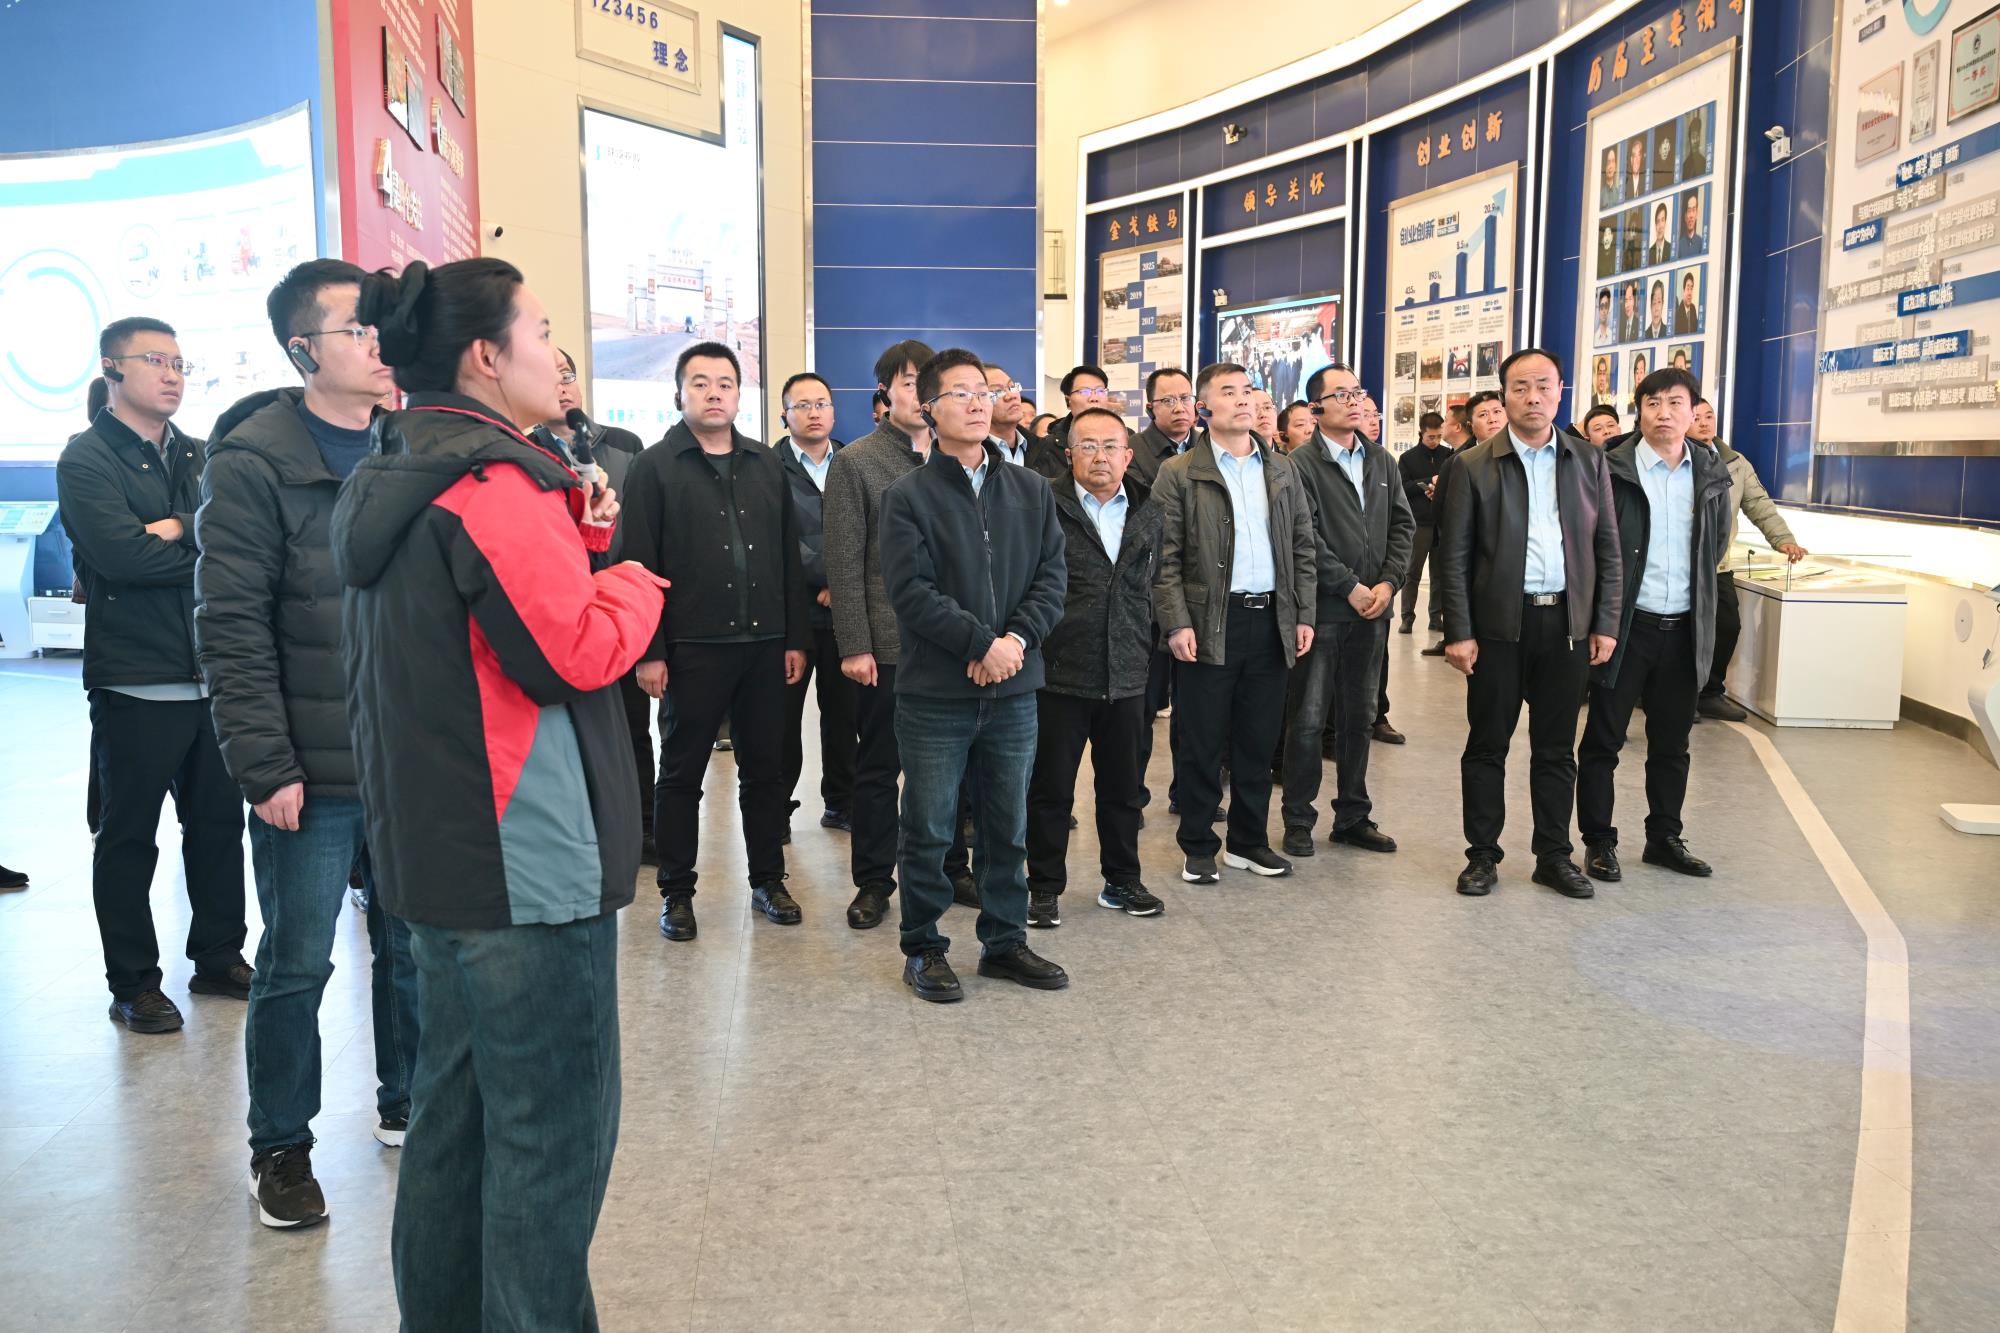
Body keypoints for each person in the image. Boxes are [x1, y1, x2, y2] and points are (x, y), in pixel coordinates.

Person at [332, 258, 664, 1329]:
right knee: (550, 1143)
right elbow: (571, 652)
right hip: (526, 858)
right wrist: (632, 582)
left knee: (457, 1122)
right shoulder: (494, 487)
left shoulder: (399, 465)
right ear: (485, 355)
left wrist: (581, 541)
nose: (554, 351)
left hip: (442, 853)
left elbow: (479, 625)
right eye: (540, 329)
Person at [193, 258, 423, 1227]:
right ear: (302, 350)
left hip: (404, 759)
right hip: (308, 770)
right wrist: (264, 764)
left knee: (411, 948)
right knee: (296, 961)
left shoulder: (406, 445)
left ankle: (408, 1104)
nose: (378, 345)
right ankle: (281, 1146)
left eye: (379, 328)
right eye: (356, 330)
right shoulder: (254, 462)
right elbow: (230, 626)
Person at [58, 315, 251, 1035]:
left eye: (178, 363)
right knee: (129, 836)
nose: (172, 375)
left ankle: (219, 956)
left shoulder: (199, 453)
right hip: (137, 678)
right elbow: (121, 559)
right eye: (154, 360)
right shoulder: (86, 459)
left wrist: (175, 527)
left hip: (211, 675)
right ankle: (135, 982)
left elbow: (236, 539)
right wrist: (194, 539)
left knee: (218, 826)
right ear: (112, 369)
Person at [879, 348, 1069, 1002]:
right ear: (929, 408)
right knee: (930, 826)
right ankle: (924, 946)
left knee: (1005, 825)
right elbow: (911, 591)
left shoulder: (1030, 489)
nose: (977, 402)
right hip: (937, 694)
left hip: (1014, 688)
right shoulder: (907, 496)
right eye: (960, 392)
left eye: (984, 391)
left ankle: (1005, 942)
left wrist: (1012, 642)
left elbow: (1052, 578)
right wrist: (980, 643)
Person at [621, 342, 809, 942]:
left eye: (725, 383)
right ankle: (676, 892)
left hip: (765, 643)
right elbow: (635, 565)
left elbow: (788, 557)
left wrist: (795, 637)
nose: (713, 393)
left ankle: (769, 880)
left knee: (765, 770)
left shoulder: (765, 464)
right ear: (679, 394)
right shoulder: (654, 466)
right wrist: (649, 650)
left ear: (738, 395)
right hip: (691, 647)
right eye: (700, 383)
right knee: (680, 774)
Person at [1436, 349, 1622, 900]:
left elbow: (1608, 548)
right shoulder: (1473, 465)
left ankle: (1553, 856)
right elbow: (1454, 555)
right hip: (1498, 629)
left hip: (1566, 624)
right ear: (1504, 396)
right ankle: (1482, 856)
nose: (1532, 397)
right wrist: (1458, 630)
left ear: (1561, 391)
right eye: (1520, 387)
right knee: (1487, 745)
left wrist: (1605, 621)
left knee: (1556, 749)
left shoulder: (1588, 460)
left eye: (1543, 385)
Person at [824, 340, 974, 929]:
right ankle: (872, 881)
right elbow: (844, 560)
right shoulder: (858, 461)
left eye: (926, 383)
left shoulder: (959, 457)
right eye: (908, 383)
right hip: (888, 644)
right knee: (880, 768)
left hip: (955, 642)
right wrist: (855, 644)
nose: (918, 394)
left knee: (953, 766)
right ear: (885, 392)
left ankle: (952, 867)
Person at [1154, 362, 1317, 884]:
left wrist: (1302, 612)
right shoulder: (1179, 472)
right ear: (1204, 408)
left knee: (1258, 741)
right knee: (1201, 741)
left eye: (1248, 390)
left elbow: (1302, 546)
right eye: (1229, 392)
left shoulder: (1281, 468)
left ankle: (1248, 842)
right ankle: (1198, 844)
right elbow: (1164, 558)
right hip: (1209, 622)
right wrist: (1177, 622)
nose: (1244, 399)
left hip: (1271, 620)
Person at [1578, 367, 1733, 884]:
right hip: (1625, 628)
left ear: (1693, 412)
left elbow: (1715, 545)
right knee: (1603, 742)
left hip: (1684, 628)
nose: (1663, 413)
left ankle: (1664, 837)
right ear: (1638, 411)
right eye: (1652, 403)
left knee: (1672, 744)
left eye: (1675, 403)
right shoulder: (1609, 468)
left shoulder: (1709, 472)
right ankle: (1599, 841)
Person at [1023, 407, 1166, 928]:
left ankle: (1122, 880)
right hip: (1058, 670)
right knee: (1050, 790)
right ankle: (1043, 887)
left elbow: (1156, 581)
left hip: (1127, 670)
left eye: (1110, 446)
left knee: (1123, 789)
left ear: (1127, 455)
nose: (1099, 456)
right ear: (1069, 454)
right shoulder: (1044, 503)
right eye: (1087, 446)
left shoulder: (1150, 509)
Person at [1280, 365, 1412, 859]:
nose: (1355, 401)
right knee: (1309, 719)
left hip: (1372, 612)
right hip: (1324, 612)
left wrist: (1388, 582)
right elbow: (1304, 537)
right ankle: (1298, 818)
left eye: (1358, 391)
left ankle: (1353, 816)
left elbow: (1402, 526)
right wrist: (1349, 586)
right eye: (1342, 394)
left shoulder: (1382, 460)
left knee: (1360, 717)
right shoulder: (1299, 465)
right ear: (1316, 408)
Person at [537, 350, 653, 853]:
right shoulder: (523, 451)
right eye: (552, 377)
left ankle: (643, 827)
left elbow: (643, 526)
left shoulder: (624, 444)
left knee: (632, 728)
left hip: (620, 608)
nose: (563, 386)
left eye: (568, 375)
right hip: (561, 613)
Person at [774, 372, 857, 835]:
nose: (813, 413)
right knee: (782, 721)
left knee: (844, 716)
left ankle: (841, 803)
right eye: (802, 405)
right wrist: (829, 578)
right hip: (791, 615)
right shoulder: (768, 467)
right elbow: (776, 539)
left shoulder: (854, 462)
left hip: (846, 615)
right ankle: (777, 810)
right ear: (784, 415)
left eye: (821, 403)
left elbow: (871, 531)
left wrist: (841, 587)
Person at [1690, 398, 1807, 720]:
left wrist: (1783, 539)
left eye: (1709, 416)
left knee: (1727, 626)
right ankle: (1677, 696)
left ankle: (1709, 693)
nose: (1704, 423)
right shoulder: (1676, 458)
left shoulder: (1735, 462)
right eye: (1696, 417)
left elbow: (1758, 504)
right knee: (1682, 634)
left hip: (1718, 565)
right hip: (1682, 566)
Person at [1420, 401, 1480, 658]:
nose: (1442, 426)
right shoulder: (1455, 456)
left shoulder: (1467, 458)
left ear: (1457, 426)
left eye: (1445, 421)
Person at [1397, 410, 1453, 633]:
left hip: (1442, 522)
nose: (1435, 441)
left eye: (1439, 436)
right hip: (1419, 523)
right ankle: (1407, 617)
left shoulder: (1448, 455)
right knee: (1413, 572)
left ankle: (1436, 618)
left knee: (1439, 574)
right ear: (1421, 433)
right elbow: (1402, 487)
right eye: (1431, 437)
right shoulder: (1408, 458)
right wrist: (1429, 481)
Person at [985, 361, 1067, 475]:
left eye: (1012, 387)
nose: (1011, 396)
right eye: (998, 391)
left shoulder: (1044, 449)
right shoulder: (973, 454)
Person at [1129, 367, 1199, 486]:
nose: (1179, 409)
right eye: (1168, 400)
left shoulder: (1209, 444)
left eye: (1185, 398)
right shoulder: (1133, 449)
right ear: (1150, 408)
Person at [1044, 364, 1112, 451]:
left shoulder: (1125, 437)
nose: (1094, 398)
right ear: (1068, 400)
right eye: (1084, 392)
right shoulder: (1049, 447)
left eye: (1100, 391)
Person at [1678, 190, 1706, 259]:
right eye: (1689, 211)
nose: (1691, 215)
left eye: (1693, 210)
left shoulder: (1701, 243)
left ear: (1696, 214)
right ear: (1685, 216)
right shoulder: (1679, 245)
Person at [1675, 271, 1702, 335]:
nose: (1690, 293)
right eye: (1688, 288)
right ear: (1683, 290)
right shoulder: (1677, 313)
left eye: (1691, 289)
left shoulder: (1693, 308)